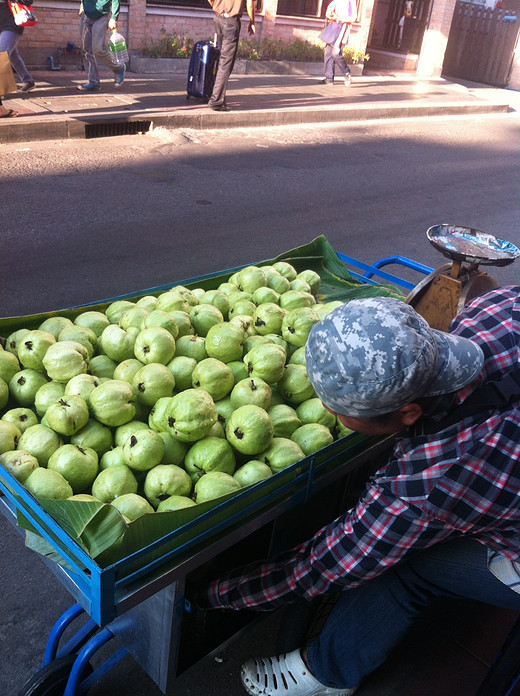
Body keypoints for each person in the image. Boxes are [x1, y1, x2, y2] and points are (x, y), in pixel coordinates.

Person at [197, 287, 520, 696]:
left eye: (338, 412)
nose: (326, 410)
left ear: (408, 413)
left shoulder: (425, 485)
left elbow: (323, 566)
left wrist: (215, 593)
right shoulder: (498, 309)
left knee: (402, 566)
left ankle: (326, 674)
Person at [207, 0, 255, 112]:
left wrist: (217, 8)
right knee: (226, 62)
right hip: (231, 22)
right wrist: (252, 22)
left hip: (218, 19)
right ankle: (216, 101)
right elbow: (250, 5)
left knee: (223, 60)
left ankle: (219, 98)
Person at [78, 0, 125, 91]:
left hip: (101, 16)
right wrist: (82, 4)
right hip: (86, 15)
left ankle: (118, 68)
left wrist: (114, 17)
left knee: (98, 49)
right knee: (86, 50)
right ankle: (94, 82)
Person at [0, 0, 35, 94]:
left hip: (12, 25)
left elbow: (28, 1)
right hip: (1, 25)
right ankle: (28, 81)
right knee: (13, 56)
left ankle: (3, 89)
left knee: (2, 55)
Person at [320, 0, 357, 86]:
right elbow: (329, 9)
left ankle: (346, 72)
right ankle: (329, 78)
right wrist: (330, 14)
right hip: (333, 27)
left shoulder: (351, 1)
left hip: (342, 28)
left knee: (335, 53)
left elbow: (353, 18)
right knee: (328, 53)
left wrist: (339, 18)